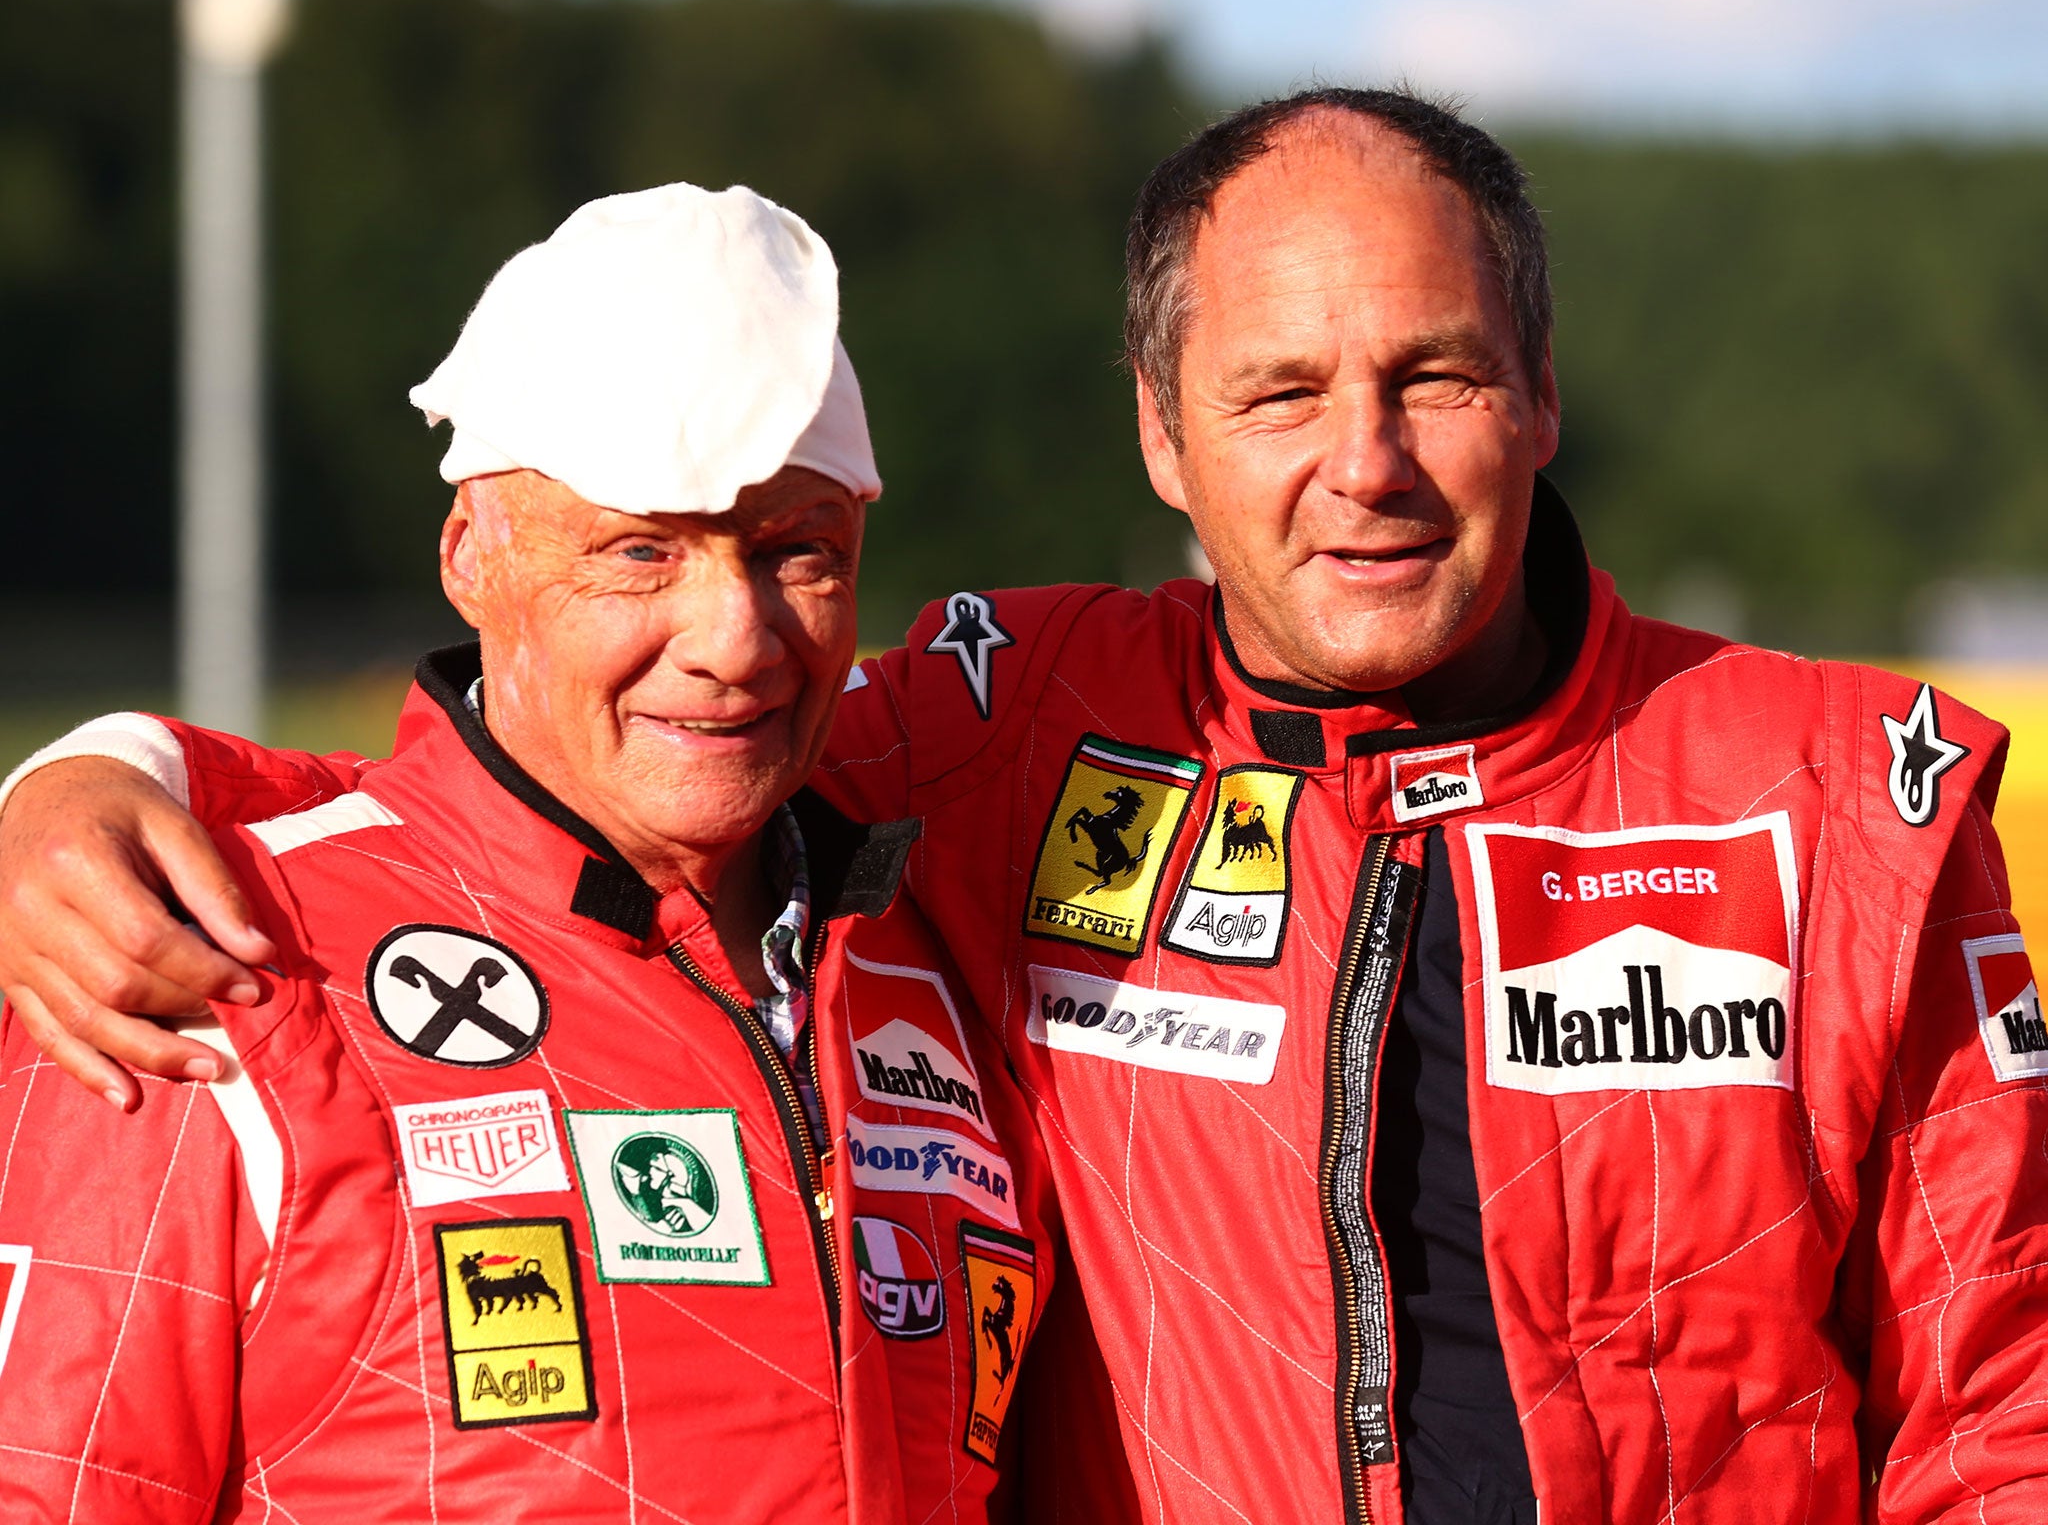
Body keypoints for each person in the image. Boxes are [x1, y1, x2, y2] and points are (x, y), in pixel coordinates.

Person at [6, 88, 2048, 1522]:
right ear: (1159, 433)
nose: (1367, 466)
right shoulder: (1012, 730)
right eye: (1276, 393)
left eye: (1432, 376)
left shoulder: (1846, 799)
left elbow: (2005, 1425)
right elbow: (527, 808)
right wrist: (101, 776)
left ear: (1537, 394)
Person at [0, 181, 1070, 1521]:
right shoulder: (193, 964)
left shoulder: (944, 946)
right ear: (469, 554)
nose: (735, 640)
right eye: (640, 553)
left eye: (799, 553)